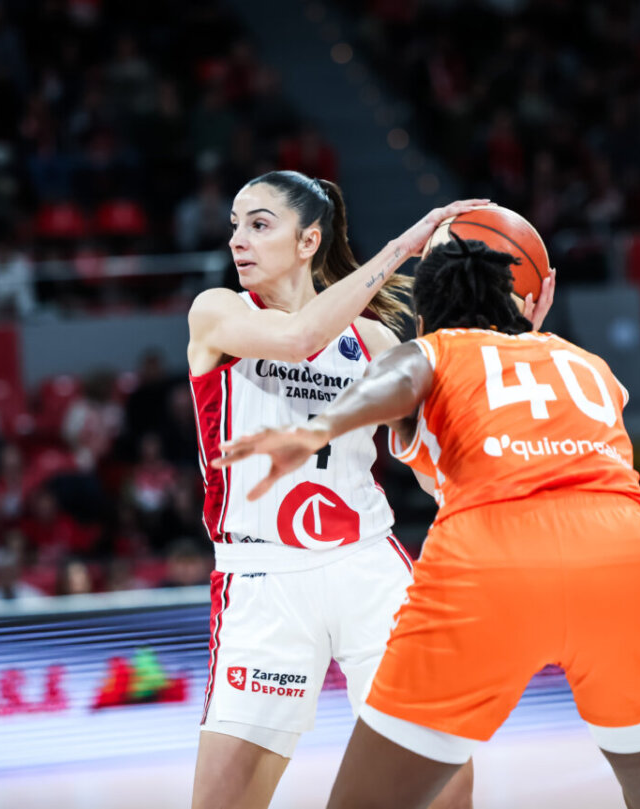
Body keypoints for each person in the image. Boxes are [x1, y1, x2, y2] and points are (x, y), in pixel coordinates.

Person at [215, 236, 640, 809]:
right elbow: (516, 387)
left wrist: (319, 429)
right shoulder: (588, 363)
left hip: (494, 560)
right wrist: (523, 329)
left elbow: (400, 380)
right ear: (523, 305)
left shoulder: (433, 350)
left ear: (423, 318)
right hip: (626, 559)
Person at [185, 169, 500, 809]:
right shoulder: (218, 312)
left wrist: (510, 338)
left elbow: (428, 461)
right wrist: (402, 247)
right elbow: (298, 339)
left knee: (444, 772)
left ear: (309, 241)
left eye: (259, 224)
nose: (238, 240)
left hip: (366, 566)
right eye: (235, 227)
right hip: (262, 575)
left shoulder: (377, 341)